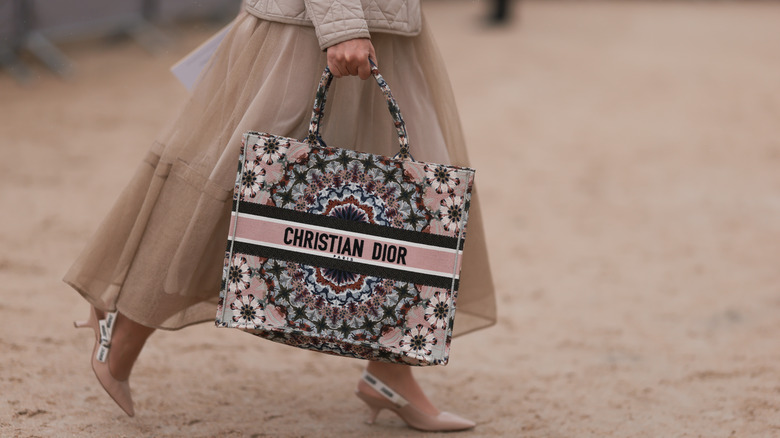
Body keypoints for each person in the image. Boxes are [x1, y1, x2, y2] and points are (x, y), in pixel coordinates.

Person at [65, 0, 496, 432]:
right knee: (228, 185)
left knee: (403, 208)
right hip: (309, 27)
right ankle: (123, 335)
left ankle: (391, 373)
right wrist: (342, 24)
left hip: (387, 24)